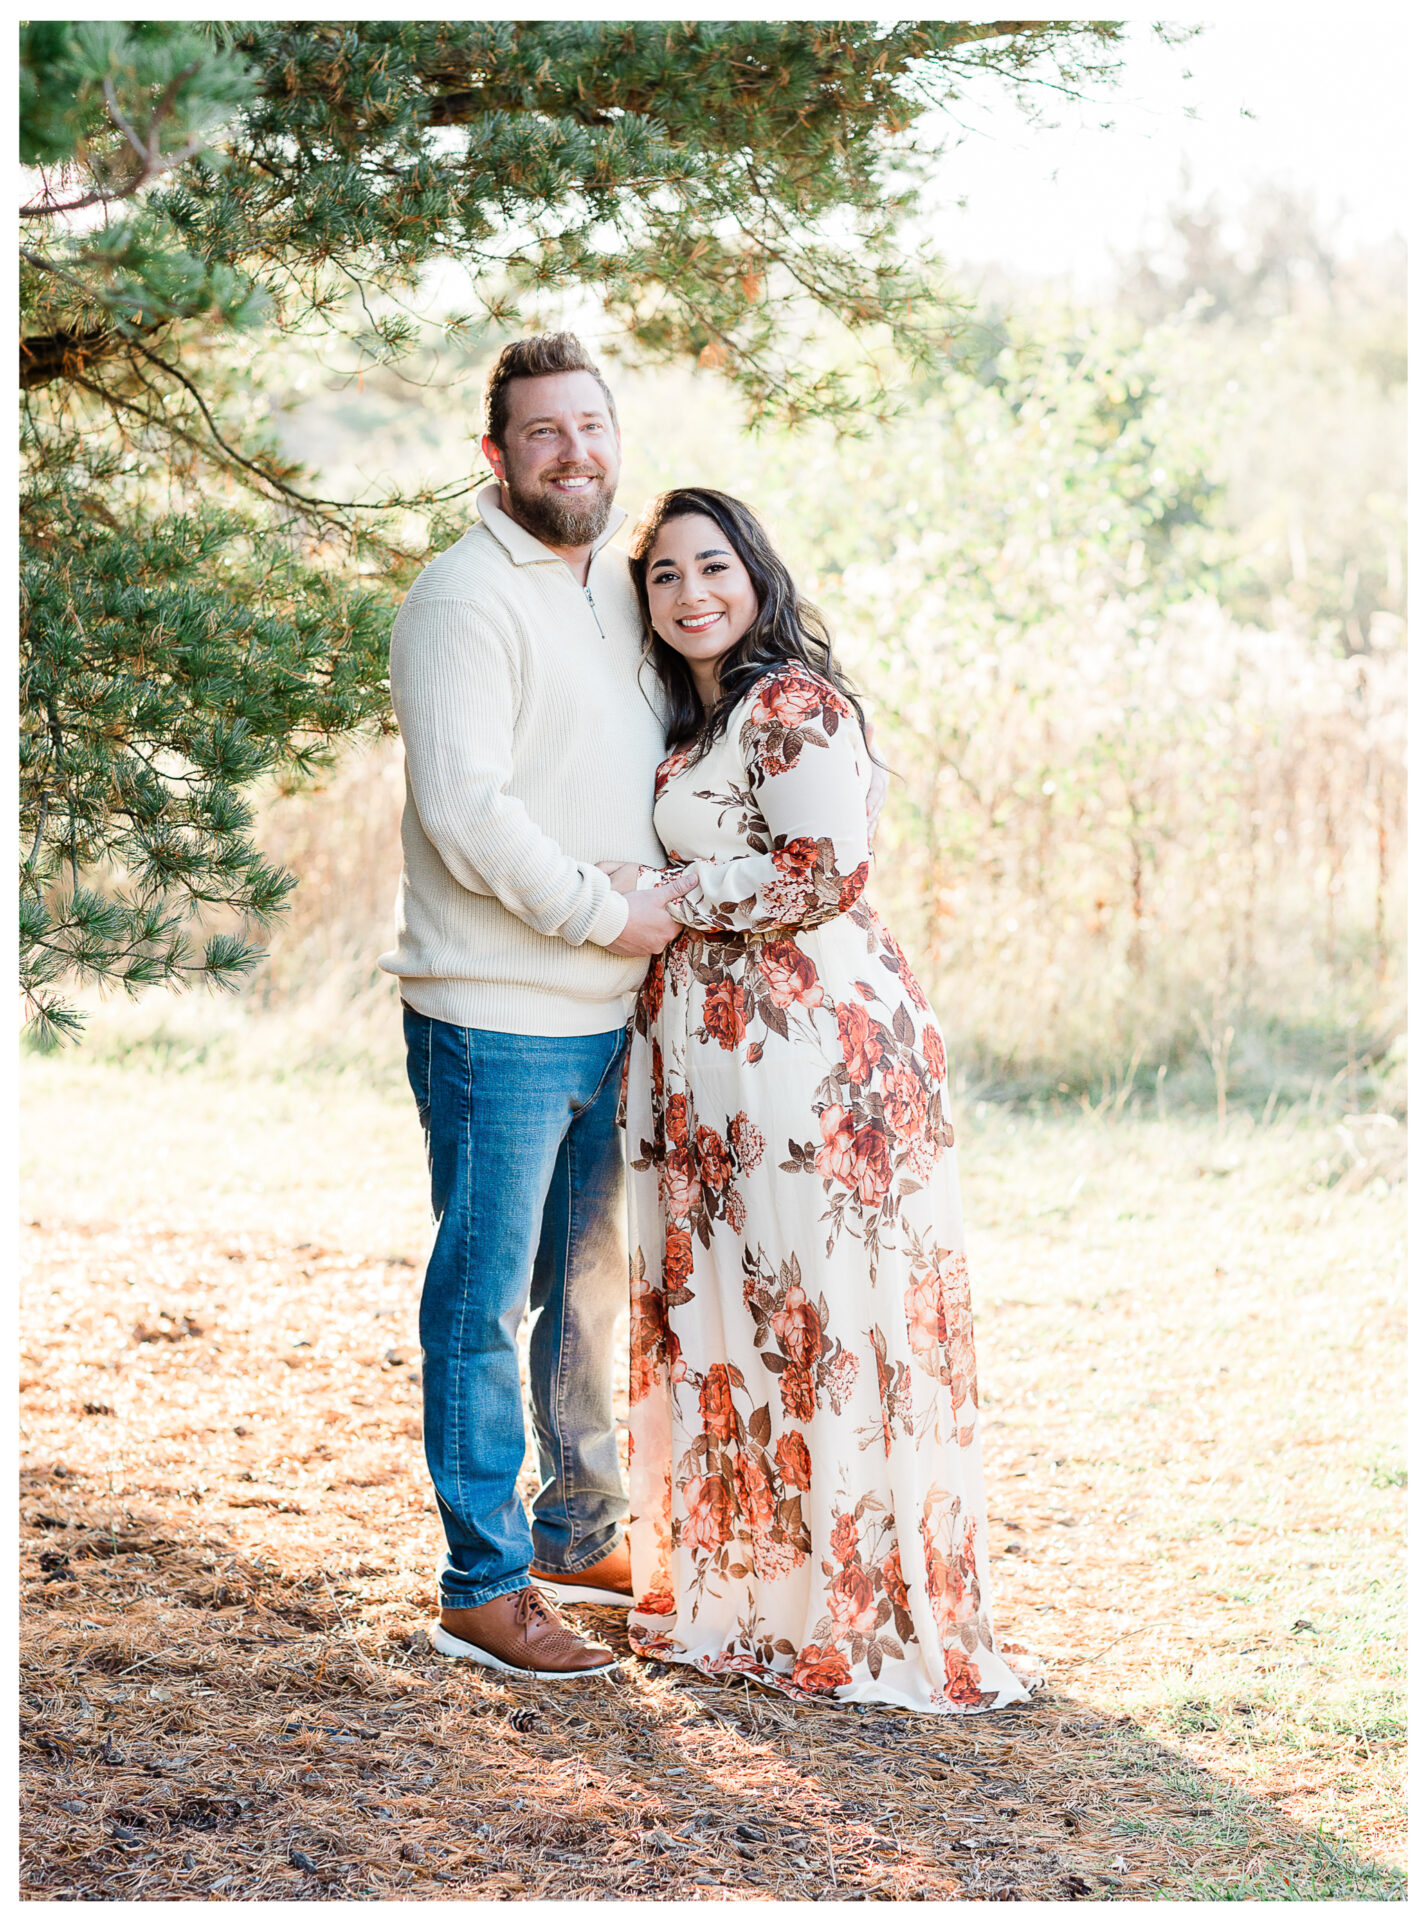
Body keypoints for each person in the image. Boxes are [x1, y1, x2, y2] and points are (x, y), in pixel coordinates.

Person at [615, 488, 1035, 1712]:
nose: (690, 592)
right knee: (747, 1314)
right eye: (663, 575)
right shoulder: (700, 722)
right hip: (724, 1058)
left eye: (712, 565)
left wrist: (666, 894)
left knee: (820, 1314)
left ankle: (852, 1617)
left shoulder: (791, 703)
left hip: (809, 1053)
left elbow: (824, 871)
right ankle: (759, 1604)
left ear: (756, 574)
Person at [381, 332, 698, 1678]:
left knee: (583, 1296)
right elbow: (467, 813)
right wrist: (599, 908)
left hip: (611, 1010)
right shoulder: (462, 600)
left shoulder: (620, 591)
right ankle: (483, 1586)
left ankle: (575, 1535)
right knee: (483, 1304)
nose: (574, 453)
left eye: (591, 425)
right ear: (496, 453)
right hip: (494, 1013)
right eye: (543, 432)